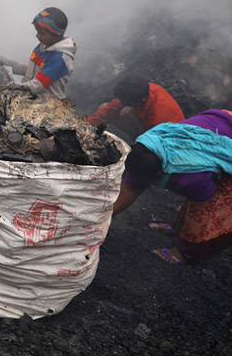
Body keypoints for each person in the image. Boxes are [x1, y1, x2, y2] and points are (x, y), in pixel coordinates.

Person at [112, 109, 232, 264]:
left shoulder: (190, 174)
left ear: (161, 173)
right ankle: (177, 229)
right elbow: (131, 188)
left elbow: (206, 195)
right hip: (221, 121)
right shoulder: (148, 147)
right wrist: (103, 220)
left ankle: (184, 252)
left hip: (224, 139)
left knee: (208, 206)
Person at [2, 8, 76, 99]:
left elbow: (38, 84)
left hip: (47, 105)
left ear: (56, 33)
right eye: (37, 31)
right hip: (32, 98)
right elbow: (33, 70)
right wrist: (10, 63)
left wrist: (11, 89)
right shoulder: (43, 45)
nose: (37, 36)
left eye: (42, 33)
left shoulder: (60, 59)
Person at [86, 77, 185, 139]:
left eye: (125, 101)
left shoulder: (158, 116)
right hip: (146, 120)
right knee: (104, 107)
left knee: (126, 112)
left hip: (166, 136)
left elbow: (153, 140)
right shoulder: (141, 90)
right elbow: (109, 109)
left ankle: (135, 138)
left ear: (141, 100)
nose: (122, 102)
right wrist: (84, 125)